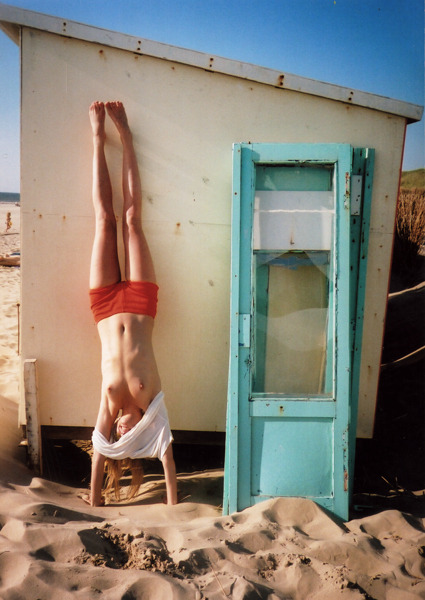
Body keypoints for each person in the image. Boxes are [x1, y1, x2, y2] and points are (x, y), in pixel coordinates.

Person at [86, 100, 177, 507]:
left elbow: (99, 447)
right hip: (141, 302)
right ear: (144, 427)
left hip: (105, 305)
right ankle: (125, 137)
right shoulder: (150, 403)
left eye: (120, 436)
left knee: (104, 219)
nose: (122, 433)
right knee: (132, 219)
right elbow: (167, 457)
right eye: (130, 436)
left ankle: (96, 138)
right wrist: (172, 502)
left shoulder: (109, 407)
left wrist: (96, 498)